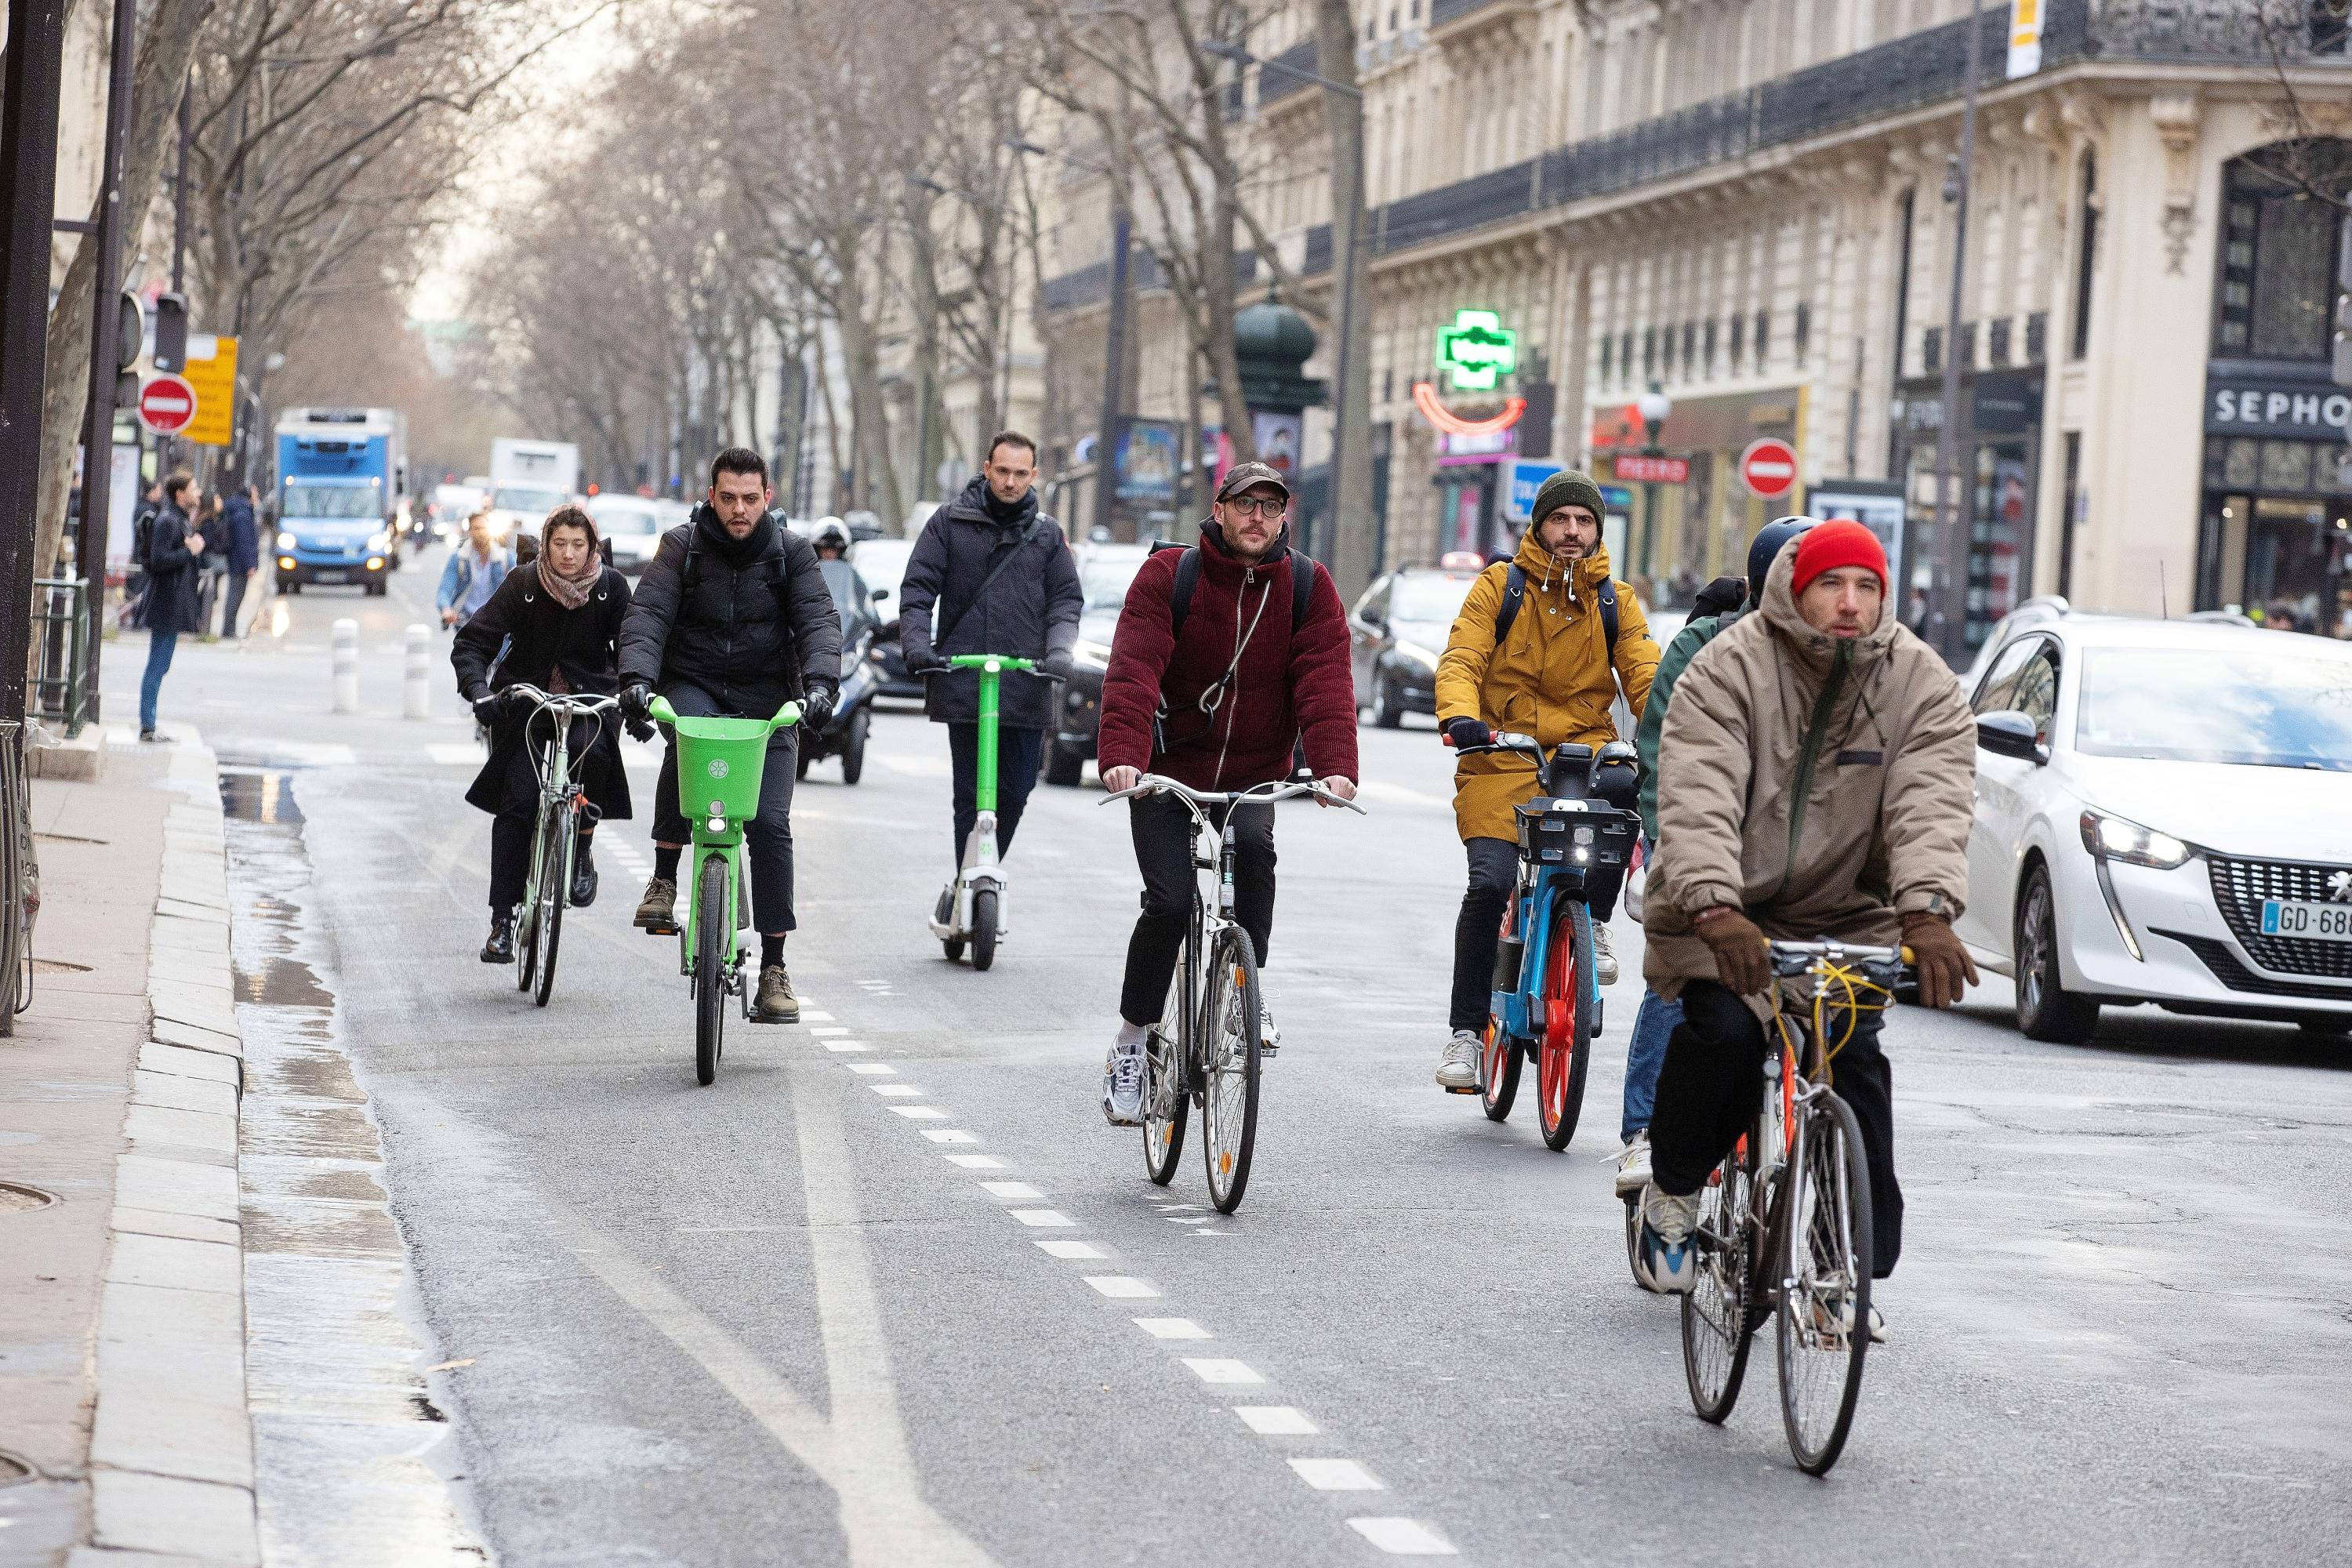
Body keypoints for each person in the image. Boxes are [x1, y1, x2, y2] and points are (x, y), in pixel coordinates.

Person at [1632, 520, 1978, 1338]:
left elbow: (1932, 802)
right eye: (1832, 585)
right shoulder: (1729, 666)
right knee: (1721, 1037)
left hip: (1845, 915)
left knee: (1855, 1065)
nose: (1849, 603)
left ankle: (1842, 1259)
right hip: (1720, 910)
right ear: (1796, 587)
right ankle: (1674, 1191)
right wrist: (1715, 905)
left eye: (1867, 587)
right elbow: (1698, 790)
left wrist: (1927, 911)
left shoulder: (1921, 682)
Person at [1092, 461, 1358, 1123]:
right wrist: (1123, 757)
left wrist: (1333, 766)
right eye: (1245, 506)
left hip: (1252, 771)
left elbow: (1326, 678)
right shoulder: (1169, 576)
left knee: (1256, 860)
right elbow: (1134, 669)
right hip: (1166, 766)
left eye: (1270, 508)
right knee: (1169, 900)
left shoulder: (1306, 586)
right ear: (1219, 509)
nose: (1257, 519)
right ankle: (1132, 1040)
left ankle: (1243, 986)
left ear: (1283, 517)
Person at [1429, 470, 1659, 1091]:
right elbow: (1464, 657)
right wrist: (1460, 716)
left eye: (1584, 522)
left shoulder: (1616, 600)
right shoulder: (1498, 587)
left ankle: (1594, 917)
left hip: (1579, 758)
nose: (1572, 532)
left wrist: (1671, 724)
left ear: (1597, 530)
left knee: (1620, 792)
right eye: (1561, 520)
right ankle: (1464, 1033)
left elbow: (1645, 674)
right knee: (1490, 883)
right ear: (1539, 525)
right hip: (1501, 753)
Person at [1610, 518, 1813, 1201]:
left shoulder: (1850, 659)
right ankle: (1645, 1130)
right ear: (1760, 586)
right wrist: (1671, 847)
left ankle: (1824, 1164)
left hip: (1802, 859)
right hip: (1707, 841)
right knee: (1684, 980)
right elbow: (1662, 749)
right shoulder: (1705, 645)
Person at [617, 448, 841, 1022]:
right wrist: (638, 681)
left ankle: (773, 967)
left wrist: (820, 687)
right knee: (685, 735)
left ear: (767, 497)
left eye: (749, 499)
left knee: (769, 824)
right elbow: (648, 615)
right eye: (727, 498)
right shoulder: (682, 545)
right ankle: (665, 878)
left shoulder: (792, 554)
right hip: (695, 683)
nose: (738, 510)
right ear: (710, 495)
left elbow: (818, 620)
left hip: (769, 700)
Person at [897, 431, 1083, 902]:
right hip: (965, 680)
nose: (1010, 481)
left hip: (1025, 683)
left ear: (1034, 475)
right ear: (986, 468)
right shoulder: (949, 523)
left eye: (1021, 473)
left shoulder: (1047, 536)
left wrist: (1060, 651)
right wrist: (918, 646)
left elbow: (1065, 601)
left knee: (1015, 793)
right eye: (1002, 471)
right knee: (970, 794)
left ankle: (984, 868)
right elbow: (918, 590)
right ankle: (967, 883)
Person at [452, 505, 639, 961]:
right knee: (517, 801)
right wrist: (480, 693)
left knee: (592, 759)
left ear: (593, 547)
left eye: (579, 545)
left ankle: (582, 849)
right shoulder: (524, 584)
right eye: (560, 544)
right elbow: (474, 642)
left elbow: (635, 646)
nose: (569, 555)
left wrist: (637, 697)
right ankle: (502, 921)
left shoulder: (611, 589)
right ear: (545, 545)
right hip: (526, 707)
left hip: (589, 703)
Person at [136, 473, 203, 742]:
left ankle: (149, 723)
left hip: (172, 601)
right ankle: (148, 725)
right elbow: (160, 558)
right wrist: (191, 551)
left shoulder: (177, 519)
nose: (198, 493)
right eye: (193, 488)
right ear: (180, 494)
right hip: (166, 602)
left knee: (160, 663)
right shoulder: (168, 520)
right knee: (158, 663)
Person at [437, 509, 509, 630]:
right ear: (469, 531)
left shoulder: (504, 558)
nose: (481, 532)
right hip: (466, 622)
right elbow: (445, 589)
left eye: (484, 528)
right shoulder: (459, 558)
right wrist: (446, 609)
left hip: (495, 623)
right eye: (476, 528)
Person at [220, 483, 260, 640]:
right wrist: (250, 564)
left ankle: (229, 628)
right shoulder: (242, 514)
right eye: (255, 493)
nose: (257, 497)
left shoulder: (240, 510)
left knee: (235, 594)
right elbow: (244, 541)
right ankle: (228, 630)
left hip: (236, 560)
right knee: (235, 595)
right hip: (239, 562)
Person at [193, 491, 230, 642]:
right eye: (218, 499)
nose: (221, 502)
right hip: (209, 562)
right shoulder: (208, 522)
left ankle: (201, 624)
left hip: (207, 561)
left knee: (207, 594)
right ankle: (201, 625)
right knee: (207, 594)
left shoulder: (210, 519)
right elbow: (207, 542)